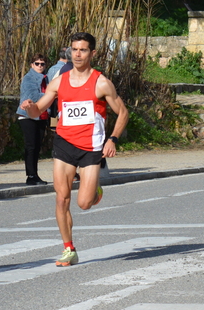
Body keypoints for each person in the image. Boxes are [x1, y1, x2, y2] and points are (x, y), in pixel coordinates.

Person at [20, 31, 129, 267]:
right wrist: (29, 108)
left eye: (83, 50)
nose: (77, 54)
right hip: (64, 144)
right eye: (74, 50)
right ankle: (69, 249)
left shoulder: (101, 82)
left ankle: (95, 191)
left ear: (92, 53)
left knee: (84, 203)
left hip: (91, 148)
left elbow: (123, 112)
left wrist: (113, 139)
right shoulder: (59, 80)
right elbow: (39, 109)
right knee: (62, 199)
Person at [17, 54, 50, 185]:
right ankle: (30, 175)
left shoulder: (45, 79)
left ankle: (35, 175)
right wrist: (51, 95)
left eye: (42, 64)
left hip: (41, 115)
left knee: (37, 147)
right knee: (30, 146)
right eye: (37, 63)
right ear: (32, 65)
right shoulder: (29, 78)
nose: (40, 66)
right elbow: (33, 96)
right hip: (27, 115)